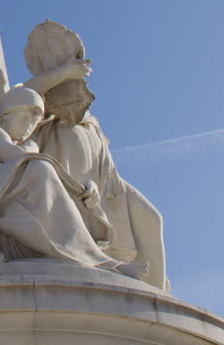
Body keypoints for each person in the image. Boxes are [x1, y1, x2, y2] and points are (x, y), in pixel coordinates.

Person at [0, 87, 147, 280]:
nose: (30, 124)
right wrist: (32, 148)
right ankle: (96, 260)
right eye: (25, 116)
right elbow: (14, 156)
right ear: (7, 114)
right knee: (39, 168)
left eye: (35, 120)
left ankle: (88, 256)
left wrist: (81, 190)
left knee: (40, 185)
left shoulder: (14, 164)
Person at [24, 55, 169, 290]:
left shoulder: (90, 122)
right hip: (75, 188)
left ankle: (157, 293)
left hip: (109, 186)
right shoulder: (48, 115)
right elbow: (25, 94)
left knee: (152, 219)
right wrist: (65, 72)